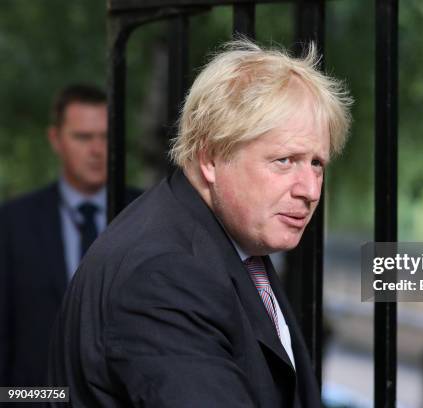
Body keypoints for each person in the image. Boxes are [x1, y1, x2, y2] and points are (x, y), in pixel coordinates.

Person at [47, 40, 352, 407]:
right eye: (285, 161)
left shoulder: (229, 241)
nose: (309, 189)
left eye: (316, 163)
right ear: (210, 157)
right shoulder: (165, 272)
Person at [0, 84, 119, 388]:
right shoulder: (12, 223)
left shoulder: (146, 212)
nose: (96, 150)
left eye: (105, 137)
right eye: (83, 137)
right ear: (55, 139)